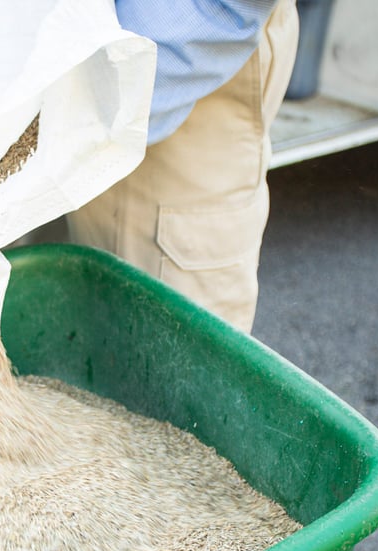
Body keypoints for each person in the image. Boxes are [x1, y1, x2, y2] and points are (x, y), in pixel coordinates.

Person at [66, 0, 298, 334]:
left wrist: (94, 100)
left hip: (170, 69)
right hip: (61, 55)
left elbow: (224, 10)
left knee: (157, 346)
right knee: (49, 316)